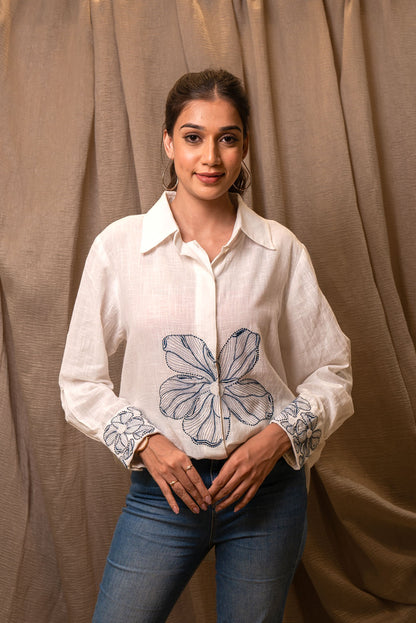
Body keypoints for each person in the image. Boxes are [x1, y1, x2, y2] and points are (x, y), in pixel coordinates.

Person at [59, 68, 353, 623]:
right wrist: (147, 443)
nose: (210, 157)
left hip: (266, 493)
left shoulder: (279, 250)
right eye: (193, 137)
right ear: (169, 142)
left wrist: (276, 439)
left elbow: (333, 370)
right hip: (162, 496)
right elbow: (79, 380)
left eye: (228, 137)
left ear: (244, 147)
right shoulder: (120, 249)